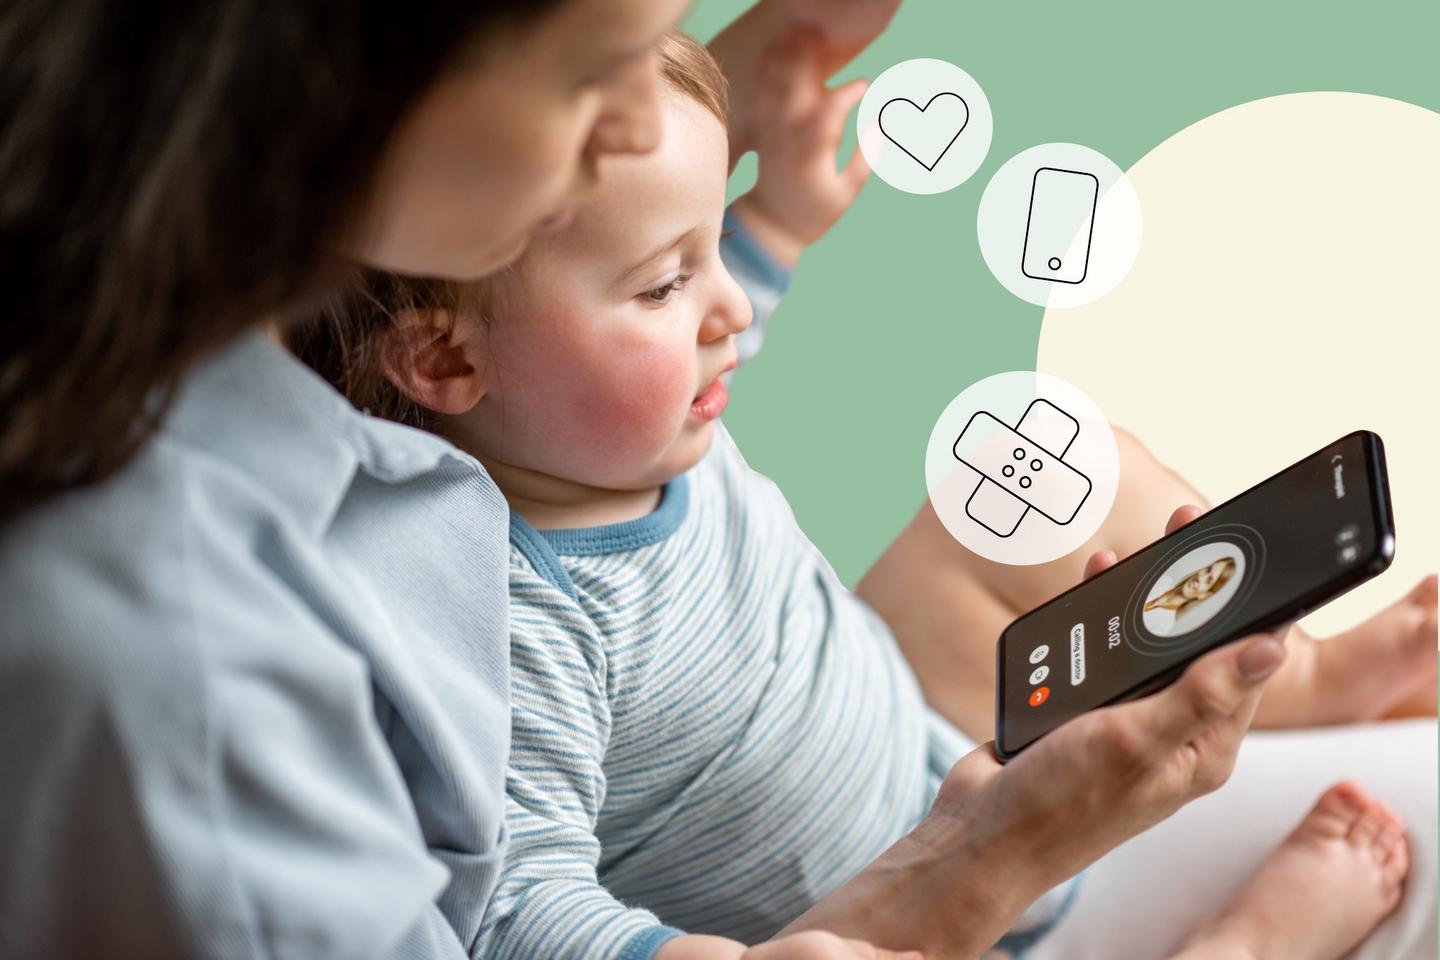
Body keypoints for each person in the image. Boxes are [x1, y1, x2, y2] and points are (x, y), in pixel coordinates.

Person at [0, 1, 1410, 958]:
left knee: (1079, 479)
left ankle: (1318, 677)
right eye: (588, 77)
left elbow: (678, 293)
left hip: (895, 729)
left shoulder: (590, 407)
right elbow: (519, 908)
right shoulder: (478, 629)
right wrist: (965, 871)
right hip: (881, 888)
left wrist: (770, 212)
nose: (721, 308)